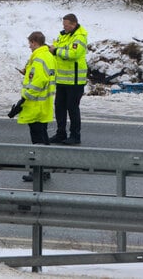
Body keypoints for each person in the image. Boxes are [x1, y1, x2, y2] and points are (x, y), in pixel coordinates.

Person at [18, 31, 56, 182]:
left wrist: (26, 96)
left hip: (36, 105)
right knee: (43, 138)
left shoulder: (39, 58)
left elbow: (38, 81)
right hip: (44, 104)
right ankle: (44, 171)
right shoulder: (48, 56)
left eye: (30, 43)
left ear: (34, 42)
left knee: (38, 140)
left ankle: (39, 172)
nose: (29, 46)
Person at [49, 13, 89, 145]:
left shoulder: (80, 37)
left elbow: (72, 54)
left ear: (74, 24)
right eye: (63, 25)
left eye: (66, 25)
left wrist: (56, 51)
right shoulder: (62, 35)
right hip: (61, 80)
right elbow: (55, 50)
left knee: (72, 108)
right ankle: (61, 133)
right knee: (59, 107)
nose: (64, 27)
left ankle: (75, 135)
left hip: (75, 81)